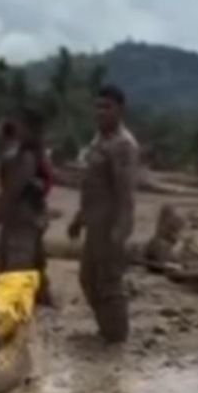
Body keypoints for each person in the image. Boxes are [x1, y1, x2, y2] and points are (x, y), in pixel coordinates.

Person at [68, 85, 139, 343]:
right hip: (94, 223)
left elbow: (125, 193)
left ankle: (117, 337)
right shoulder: (98, 140)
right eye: (97, 107)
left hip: (110, 225)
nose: (100, 112)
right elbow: (92, 186)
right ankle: (108, 330)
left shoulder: (123, 145)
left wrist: (120, 231)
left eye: (106, 107)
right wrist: (79, 218)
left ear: (120, 110)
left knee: (109, 283)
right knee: (88, 279)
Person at [0, 108, 54, 306]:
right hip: (29, 217)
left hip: (22, 219)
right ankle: (42, 303)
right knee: (34, 267)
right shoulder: (34, 154)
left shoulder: (26, 157)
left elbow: (11, 193)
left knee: (15, 273)